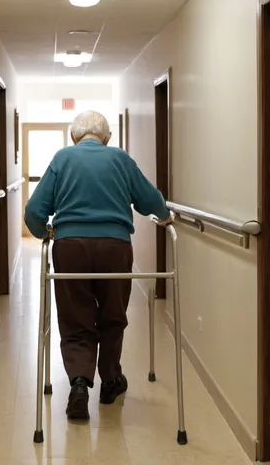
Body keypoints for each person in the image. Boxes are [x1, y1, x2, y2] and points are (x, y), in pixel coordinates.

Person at [24, 110, 172, 420]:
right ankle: (110, 381)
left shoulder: (62, 159)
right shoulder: (120, 159)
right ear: (107, 138)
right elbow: (151, 201)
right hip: (115, 246)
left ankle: (78, 384)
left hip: (70, 247)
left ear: (73, 137)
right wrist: (166, 216)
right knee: (112, 314)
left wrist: (46, 233)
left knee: (75, 316)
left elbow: (34, 212)